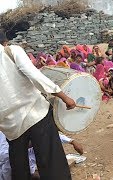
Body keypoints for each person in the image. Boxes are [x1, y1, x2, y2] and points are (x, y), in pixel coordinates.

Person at [0, 31, 76, 179]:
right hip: (35, 114)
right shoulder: (11, 51)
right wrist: (63, 96)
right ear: (4, 42)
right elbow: (35, 75)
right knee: (52, 163)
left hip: (11, 127)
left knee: (19, 168)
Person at [0, 131, 83, 180]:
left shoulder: (32, 126)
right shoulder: (6, 134)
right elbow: (5, 156)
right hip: (9, 171)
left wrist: (72, 141)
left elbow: (50, 134)